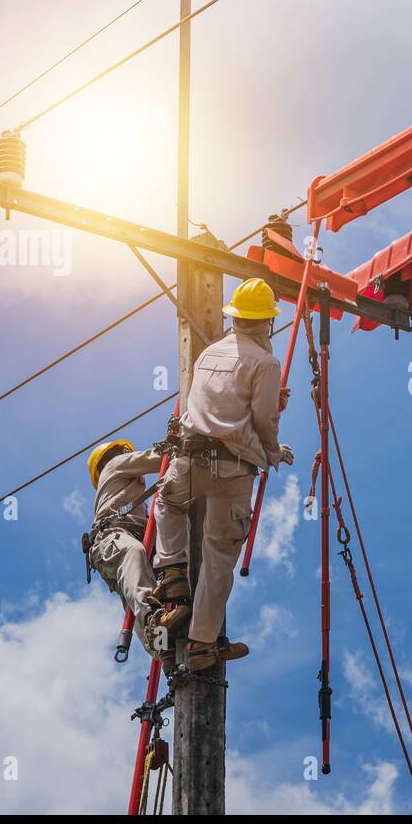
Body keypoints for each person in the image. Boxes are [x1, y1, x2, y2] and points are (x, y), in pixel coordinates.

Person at [152, 278, 294, 672]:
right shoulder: (265, 362)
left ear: (235, 317)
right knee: (218, 556)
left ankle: (174, 574)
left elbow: (218, 404)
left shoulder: (208, 354)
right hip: (233, 470)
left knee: (168, 502)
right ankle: (200, 645)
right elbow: (264, 421)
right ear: (265, 322)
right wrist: (274, 452)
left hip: (192, 460)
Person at [84, 440, 164, 661]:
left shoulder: (129, 491)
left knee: (137, 595)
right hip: (113, 539)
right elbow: (160, 459)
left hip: (129, 540)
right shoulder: (116, 465)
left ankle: (162, 649)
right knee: (133, 554)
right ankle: (154, 620)